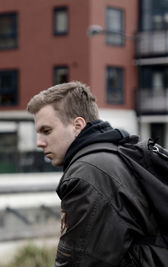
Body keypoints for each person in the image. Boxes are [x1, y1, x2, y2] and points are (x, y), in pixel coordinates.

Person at [27, 81, 167, 266]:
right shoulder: (116, 152)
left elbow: (82, 261)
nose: (39, 142)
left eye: (47, 131)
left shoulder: (88, 173)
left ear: (77, 125)